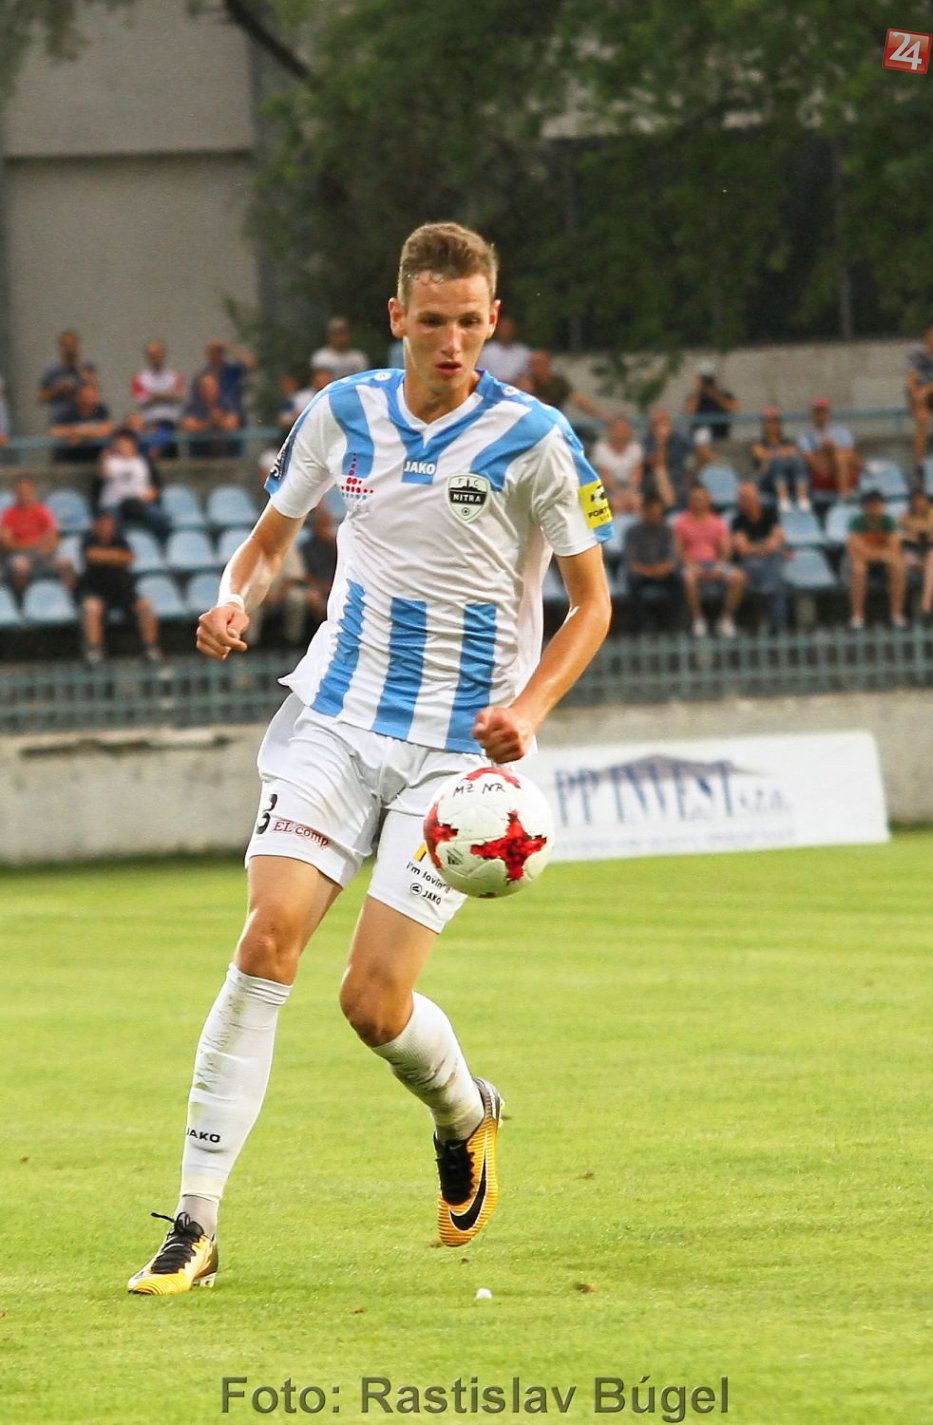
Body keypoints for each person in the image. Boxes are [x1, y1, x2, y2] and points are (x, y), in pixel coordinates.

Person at [127, 221, 613, 1296]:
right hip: (337, 720)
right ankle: (194, 1224)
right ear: (398, 317)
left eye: (470, 323)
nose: (451, 342)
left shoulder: (535, 439)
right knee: (266, 941)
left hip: (454, 758)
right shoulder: (340, 412)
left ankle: (464, 1112)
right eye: (432, 321)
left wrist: (528, 709)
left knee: (373, 1006)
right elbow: (267, 543)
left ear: (494, 320)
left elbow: (591, 606)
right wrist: (232, 598)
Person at [78, 510, 162, 663]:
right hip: (98, 590)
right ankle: (94, 650)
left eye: (109, 523)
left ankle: (150, 648)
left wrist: (106, 556)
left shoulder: (120, 540)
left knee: (146, 606)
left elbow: (129, 558)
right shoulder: (88, 540)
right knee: (91, 608)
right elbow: (91, 555)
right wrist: (115, 556)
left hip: (124, 591)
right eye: (103, 523)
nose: (106, 527)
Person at [673, 484, 745, 637]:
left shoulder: (717, 522)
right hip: (693, 565)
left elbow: (725, 549)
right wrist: (691, 564)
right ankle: (698, 620)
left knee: (738, 577)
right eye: (695, 499)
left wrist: (719, 565)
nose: (698, 502)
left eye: (701, 499)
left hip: (715, 563)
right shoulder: (681, 522)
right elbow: (678, 550)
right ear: (689, 501)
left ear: (708, 500)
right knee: (687, 578)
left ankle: (726, 620)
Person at [0, 477, 75, 596]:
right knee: (20, 566)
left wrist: (44, 548)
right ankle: (23, 599)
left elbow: (53, 538)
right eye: (20, 492)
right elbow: (7, 543)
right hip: (19, 554)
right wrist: (34, 545)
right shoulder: (9, 515)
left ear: (32, 492)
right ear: (15, 494)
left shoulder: (42, 512)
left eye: (27, 492)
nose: (24, 495)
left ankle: (68, 598)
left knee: (66, 565)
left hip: (42, 554)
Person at [94, 428, 171, 542]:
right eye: (119, 443)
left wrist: (152, 493)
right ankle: (121, 546)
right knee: (113, 523)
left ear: (133, 444)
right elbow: (103, 477)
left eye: (126, 443)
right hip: (114, 503)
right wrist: (103, 460)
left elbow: (156, 483)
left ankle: (162, 545)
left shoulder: (144, 461)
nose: (123, 446)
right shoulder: (109, 461)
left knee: (160, 518)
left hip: (139, 502)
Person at [730, 481, 788, 632]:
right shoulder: (737, 521)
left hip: (769, 562)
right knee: (765, 571)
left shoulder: (770, 515)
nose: (744, 501)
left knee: (775, 565)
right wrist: (764, 547)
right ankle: (775, 624)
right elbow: (743, 550)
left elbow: (775, 542)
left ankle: (776, 625)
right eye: (742, 498)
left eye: (747, 498)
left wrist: (757, 548)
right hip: (747, 565)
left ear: (756, 497)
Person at [846, 489, 906, 630]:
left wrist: (882, 555)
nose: (875, 508)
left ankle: (896, 615)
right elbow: (856, 548)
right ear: (864, 507)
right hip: (863, 560)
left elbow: (895, 547)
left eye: (878, 504)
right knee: (858, 570)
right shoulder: (857, 522)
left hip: (883, 561)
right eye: (872, 505)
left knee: (898, 567)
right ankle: (857, 616)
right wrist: (881, 554)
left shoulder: (888, 521)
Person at [624, 493, 680, 630]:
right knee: (632, 580)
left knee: (678, 579)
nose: (655, 516)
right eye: (652, 513)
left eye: (658, 513)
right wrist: (649, 571)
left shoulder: (667, 531)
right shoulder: (632, 532)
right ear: (644, 512)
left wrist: (661, 569)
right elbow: (631, 562)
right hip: (642, 573)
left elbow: (672, 559)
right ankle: (642, 625)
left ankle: (673, 624)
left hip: (663, 572)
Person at [898, 490, 933, 626]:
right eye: (916, 501)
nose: (919, 504)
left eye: (922, 501)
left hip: (931, 555)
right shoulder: (905, 517)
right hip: (913, 558)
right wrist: (911, 535)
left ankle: (927, 602)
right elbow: (896, 539)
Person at [797, 398, 862, 502]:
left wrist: (834, 448)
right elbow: (811, 461)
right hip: (823, 471)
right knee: (836, 454)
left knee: (839, 455)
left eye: (823, 412)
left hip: (844, 466)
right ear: (812, 415)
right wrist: (825, 452)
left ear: (828, 414)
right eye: (817, 413)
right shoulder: (805, 437)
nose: (821, 416)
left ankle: (843, 492)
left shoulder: (842, 432)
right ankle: (844, 493)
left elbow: (852, 457)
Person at [906, 319, 933, 468]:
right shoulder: (916, 353)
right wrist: (917, 396)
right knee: (922, 418)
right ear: (926, 337)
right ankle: (919, 464)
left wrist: (931, 388)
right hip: (919, 391)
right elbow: (911, 381)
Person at [517, 350, 607, 423]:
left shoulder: (558, 382)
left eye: (536, 364)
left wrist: (601, 416)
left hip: (554, 421)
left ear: (547, 364)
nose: (532, 367)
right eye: (531, 364)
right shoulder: (526, 382)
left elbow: (578, 400)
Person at [130, 341, 185, 455]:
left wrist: (155, 396)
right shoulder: (139, 378)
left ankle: (154, 451)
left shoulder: (175, 376)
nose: (156, 357)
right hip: (149, 423)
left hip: (170, 423)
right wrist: (167, 395)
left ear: (164, 354)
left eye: (158, 353)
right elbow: (142, 400)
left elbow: (179, 396)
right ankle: (152, 452)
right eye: (152, 354)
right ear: (147, 356)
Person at [750, 407, 810, 511]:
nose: (771, 425)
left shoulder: (788, 442)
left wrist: (775, 454)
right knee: (776, 461)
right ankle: (783, 499)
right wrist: (781, 454)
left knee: (798, 461)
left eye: (774, 421)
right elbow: (761, 455)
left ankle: (802, 498)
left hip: (788, 478)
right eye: (768, 422)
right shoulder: (757, 443)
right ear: (763, 425)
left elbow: (794, 453)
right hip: (766, 482)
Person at [637, 408, 693, 509]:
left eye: (663, 423)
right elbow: (655, 463)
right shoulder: (647, 440)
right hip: (653, 479)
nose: (660, 427)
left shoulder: (679, 438)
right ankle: (671, 506)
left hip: (679, 476)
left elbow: (694, 455)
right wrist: (661, 441)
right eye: (656, 424)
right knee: (660, 471)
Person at [37, 330, 98, 423]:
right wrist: (57, 391)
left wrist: (81, 371)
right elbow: (41, 397)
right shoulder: (51, 370)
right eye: (66, 346)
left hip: (83, 416)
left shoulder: (86, 366)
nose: (69, 350)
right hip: (60, 415)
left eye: (72, 345)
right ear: (60, 348)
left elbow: (95, 390)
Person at [49, 381, 114, 465]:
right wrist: (91, 431)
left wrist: (80, 433)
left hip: (95, 458)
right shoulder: (67, 410)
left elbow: (107, 429)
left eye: (92, 396)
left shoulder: (101, 409)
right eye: (85, 396)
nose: (89, 399)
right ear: (78, 396)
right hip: (69, 458)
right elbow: (54, 431)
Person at [179, 373, 241, 457]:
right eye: (204, 387)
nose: (208, 390)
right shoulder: (193, 406)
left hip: (226, 455)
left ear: (217, 388)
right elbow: (188, 426)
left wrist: (219, 421)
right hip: (199, 455)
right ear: (199, 389)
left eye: (211, 387)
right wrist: (210, 422)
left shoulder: (226, 404)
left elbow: (232, 426)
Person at [591, 416, 643, 514]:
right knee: (614, 503)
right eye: (618, 429)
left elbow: (637, 475)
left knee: (637, 502)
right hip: (607, 489)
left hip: (631, 488)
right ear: (610, 431)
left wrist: (629, 494)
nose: (621, 432)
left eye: (624, 429)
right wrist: (618, 495)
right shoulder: (601, 448)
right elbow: (604, 475)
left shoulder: (635, 448)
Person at [685, 362, 737, 441]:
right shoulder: (694, 397)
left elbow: (734, 409)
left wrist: (715, 395)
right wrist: (699, 391)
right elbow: (690, 412)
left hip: (720, 435)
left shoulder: (724, 395)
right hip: (699, 435)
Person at [478, 314, 531, 385]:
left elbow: (526, 374)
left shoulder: (523, 352)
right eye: (503, 328)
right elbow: (480, 375)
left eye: (508, 328)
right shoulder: (486, 352)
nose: (506, 331)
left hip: (516, 388)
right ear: (497, 330)